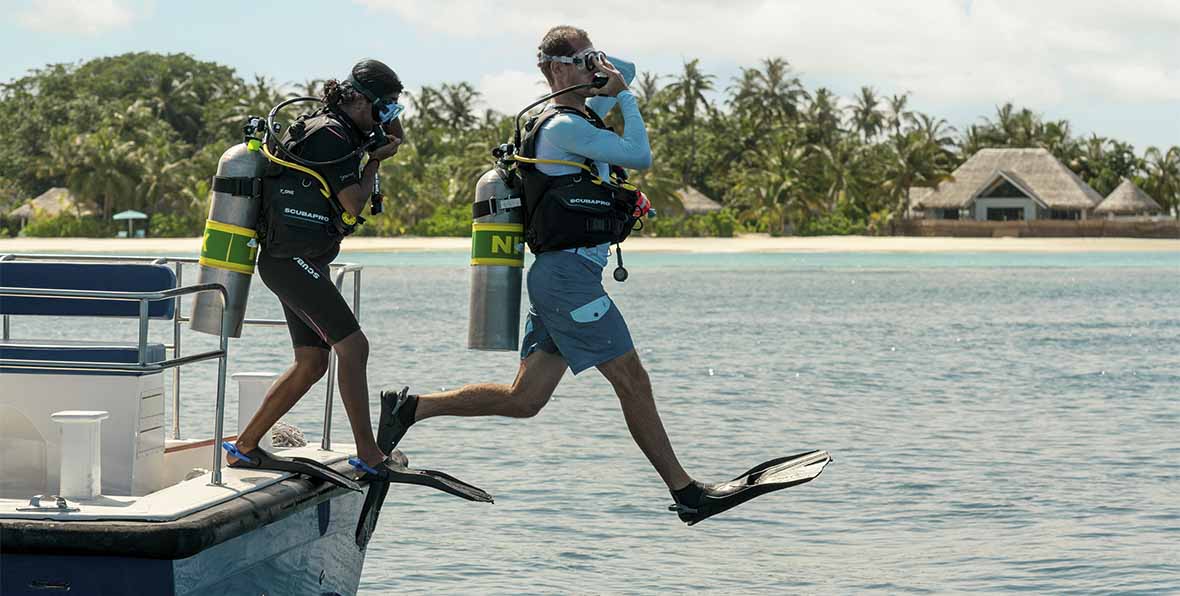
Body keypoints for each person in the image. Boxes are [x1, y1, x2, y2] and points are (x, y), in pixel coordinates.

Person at [376, 26, 715, 518]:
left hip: (565, 277)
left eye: (595, 60)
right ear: (557, 69)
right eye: (582, 61)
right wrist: (622, 97)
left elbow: (631, 70)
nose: (595, 68)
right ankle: (685, 492)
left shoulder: (573, 113)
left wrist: (592, 63)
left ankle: (410, 407)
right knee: (633, 381)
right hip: (567, 280)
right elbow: (640, 155)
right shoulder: (563, 128)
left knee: (525, 398)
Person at [224, 59, 491, 502]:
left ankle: (245, 446)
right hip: (291, 260)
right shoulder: (331, 135)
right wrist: (373, 163)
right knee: (354, 347)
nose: (385, 117)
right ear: (359, 99)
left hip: (295, 259)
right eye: (383, 107)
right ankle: (368, 452)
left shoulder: (338, 130)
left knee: (313, 362)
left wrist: (378, 143)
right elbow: (352, 202)